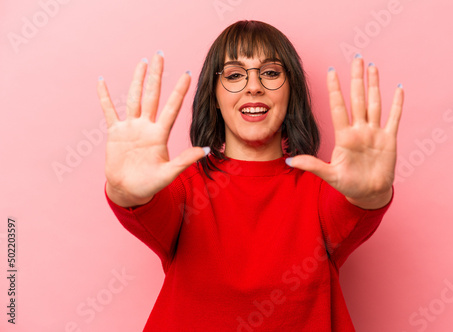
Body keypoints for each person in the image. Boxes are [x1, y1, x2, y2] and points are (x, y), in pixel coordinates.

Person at [97, 20, 403, 331]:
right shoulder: (185, 189)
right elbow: (144, 206)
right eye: (233, 75)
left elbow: (354, 207)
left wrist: (371, 193)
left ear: (291, 91)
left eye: (270, 73)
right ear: (214, 96)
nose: (253, 86)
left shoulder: (320, 190)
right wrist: (126, 191)